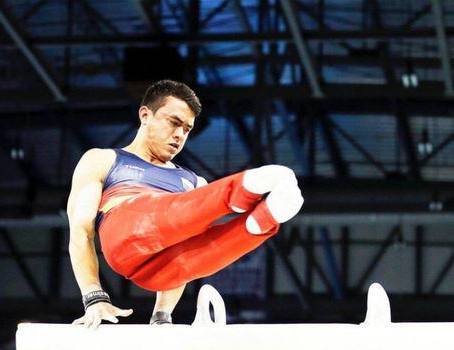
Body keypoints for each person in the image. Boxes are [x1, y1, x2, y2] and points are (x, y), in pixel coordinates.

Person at [67, 80, 304, 329]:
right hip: (124, 235)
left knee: (201, 252)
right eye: (174, 122)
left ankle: (261, 220)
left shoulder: (192, 182)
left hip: (158, 272)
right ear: (145, 115)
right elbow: (81, 231)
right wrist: (93, 297)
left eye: (187, 129)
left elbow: (184, 259)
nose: (180, 134)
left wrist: (162, 316)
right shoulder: (103, 159)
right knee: (178, 209)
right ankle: (243, 188)